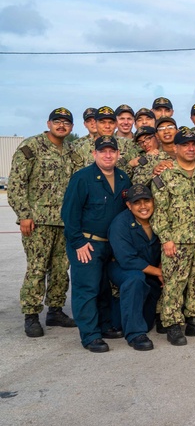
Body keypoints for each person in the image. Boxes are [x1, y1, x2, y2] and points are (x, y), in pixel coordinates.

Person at [9, 108, 78, 338]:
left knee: (61, 270)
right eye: (57, 121)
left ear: (71, 127)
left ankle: (55, 311)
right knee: (37, 269)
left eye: (66, 122)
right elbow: (17, 184)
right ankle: (31, 315)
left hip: (65, 222)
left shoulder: (71, 151)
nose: (61, 125)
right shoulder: (32, 147)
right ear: (48, 123)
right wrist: (24, 214)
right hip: (38, 222)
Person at [61, 136, 133, 352]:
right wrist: (78, 242)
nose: (108, 155)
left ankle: (103, 326)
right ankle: (90, 335)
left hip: (110, 245)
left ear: (118, 154)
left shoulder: (122, 178)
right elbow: (69, 213)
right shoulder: (82, 178)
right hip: (87, 244)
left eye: (112, 151)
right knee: (87, 289)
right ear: (95, 154)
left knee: (103, 288)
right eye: (103, 151)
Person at [151, 127, 195, 345]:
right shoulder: (165, 177)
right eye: (185, 145)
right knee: (174, 283)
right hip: (178, 240)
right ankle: (172, 323)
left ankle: (194, 319)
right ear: (176, 148)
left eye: (194, 145)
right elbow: (159, 212)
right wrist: (166, 239)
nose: (191, 149)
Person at [108, 184, 161, 351]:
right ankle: (135, 334)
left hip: (149, 271)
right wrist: (159, 272)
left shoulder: (159, 220)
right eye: (137, 203)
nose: (143, 207)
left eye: (147, 201)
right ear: (129, 205)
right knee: (135, 279)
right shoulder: (121, 223)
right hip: (122, 268)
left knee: (147, 319)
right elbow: (127, 259)